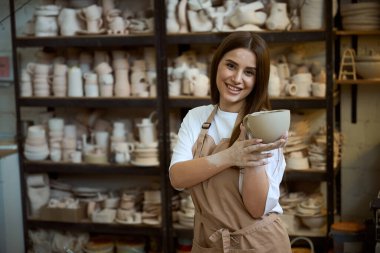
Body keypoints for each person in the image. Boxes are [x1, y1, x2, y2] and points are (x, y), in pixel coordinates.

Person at [169, 31, 292, 253]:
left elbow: (255, 209)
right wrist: (230, 156)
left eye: (249, 72)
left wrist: (252, 151)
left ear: (258, 80)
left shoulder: (264, 123)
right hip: (210, 243)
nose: (236, 79)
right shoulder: (196, 117)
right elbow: (177, 177)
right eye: (231, 66)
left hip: (259, 244)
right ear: (217, 64)